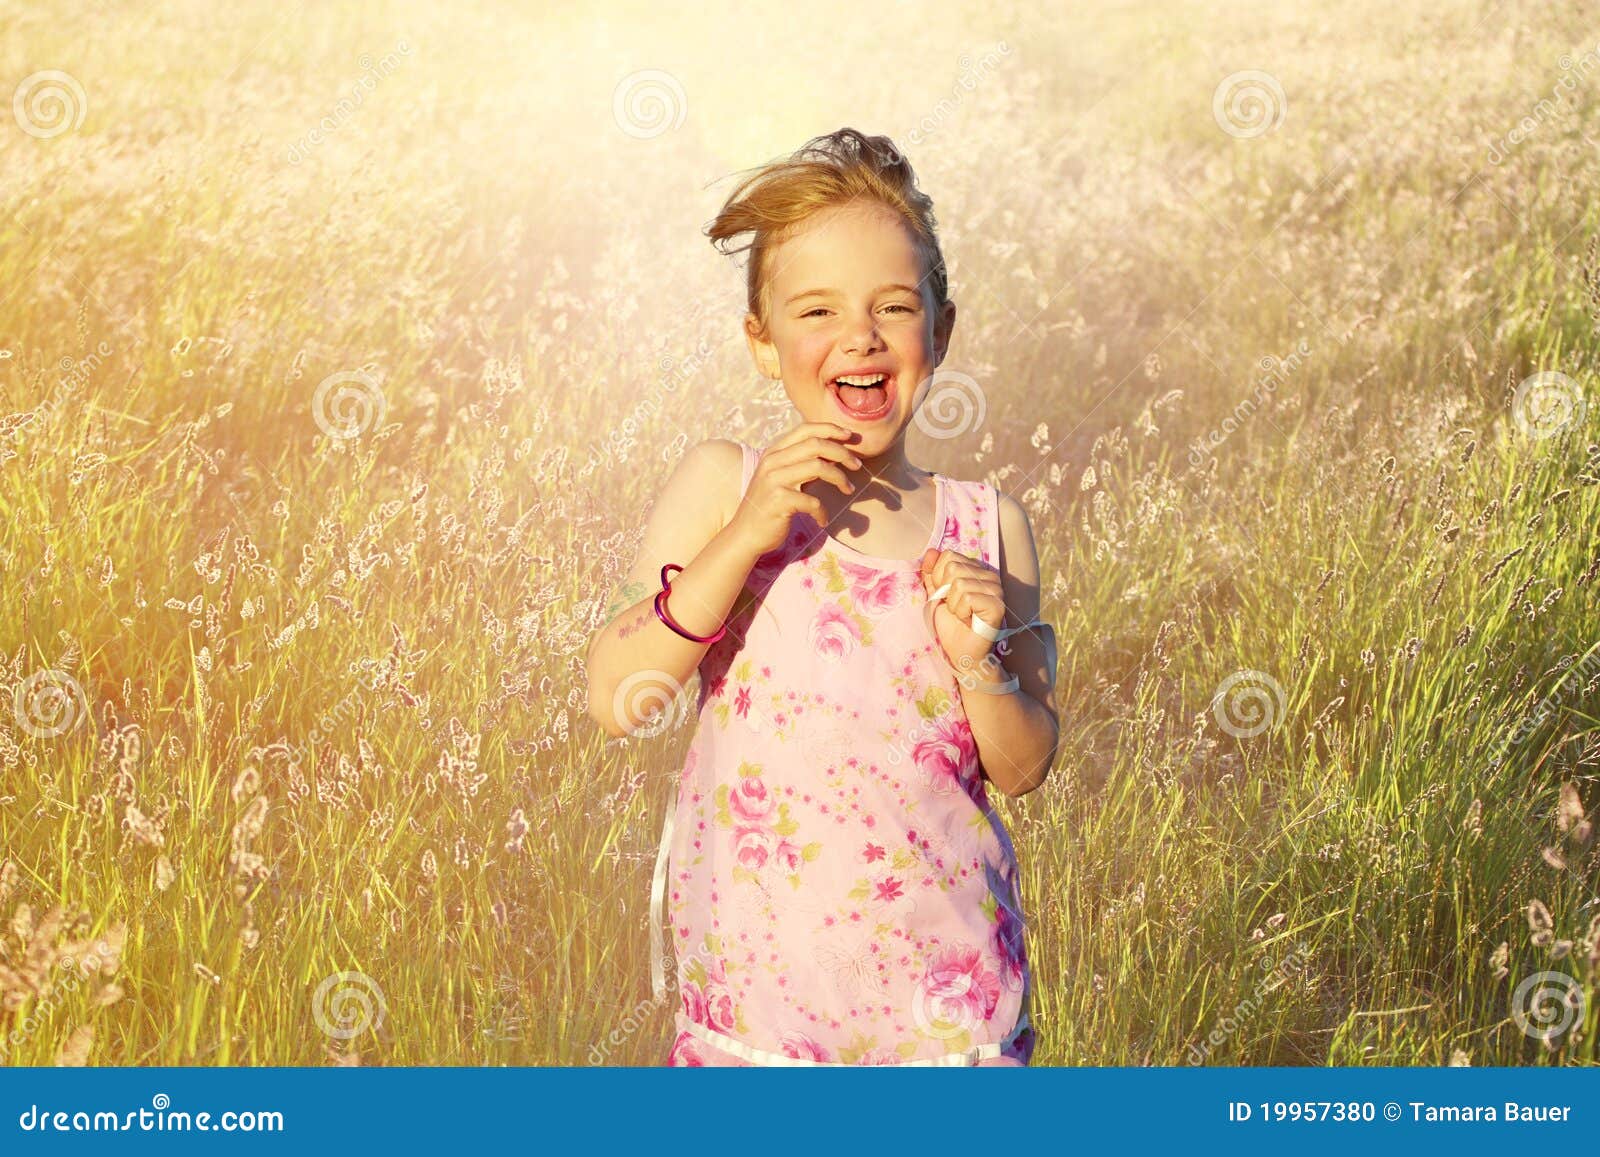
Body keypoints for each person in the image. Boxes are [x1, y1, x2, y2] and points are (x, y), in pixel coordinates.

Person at [585, 127, 1059, 1066]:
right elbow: (616, 696)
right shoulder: (726, 486)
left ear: (941, 331)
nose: (860, 337)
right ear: (761, 344)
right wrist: (744, 536)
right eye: (817, 311)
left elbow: (1024, 766)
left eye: (894, 307)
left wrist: (982, 664)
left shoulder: (987, 525)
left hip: (950, 1023)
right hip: (759, 1023)